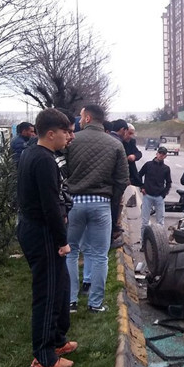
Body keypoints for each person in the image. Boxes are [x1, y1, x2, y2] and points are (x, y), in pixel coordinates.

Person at [16, 108, 76, 367]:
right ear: (51, 134)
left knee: (60, 287)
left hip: (35, 228)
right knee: (47, 293)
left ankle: (57, 340)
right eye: (66, 132)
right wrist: (62, 240)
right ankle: (44, 357)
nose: (69, 137)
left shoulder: (33, 152)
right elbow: (50, 205)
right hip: (41, 233)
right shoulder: (43, 160)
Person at [65, 105, 129, 314]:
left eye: (81, 117)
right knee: (100, 254)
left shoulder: (72, 141)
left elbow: (62, 171)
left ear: (88, 118)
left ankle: (71, 301)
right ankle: (95, 304)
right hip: (101, 203)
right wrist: (112, 202)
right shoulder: (115, 144)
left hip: (74, 203)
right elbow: (122, 180)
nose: (79, 120)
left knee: (71, 251)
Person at [138, 146, 172, 238]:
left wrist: (164, 194)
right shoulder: (148, 165)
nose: (161, 155)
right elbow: (139, 175)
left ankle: (159, 243)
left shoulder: (166, 168)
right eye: (160, 153)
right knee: (145, 222)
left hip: (159, 197)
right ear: (156, 154)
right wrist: (141, 187)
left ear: (165, 156)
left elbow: (169, 182)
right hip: (147, 195)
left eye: (163, 154)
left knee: (160, 222)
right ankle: (143, 244)